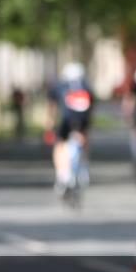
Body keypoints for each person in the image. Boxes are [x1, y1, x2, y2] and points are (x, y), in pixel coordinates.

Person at [46, 62, 94, 191]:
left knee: (60, 144)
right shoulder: (86, 87)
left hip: (65, 121)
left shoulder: (60, 86)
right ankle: (84, 167)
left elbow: (53, 106)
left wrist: (49, 123)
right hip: (82, 121)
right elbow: (91, 108)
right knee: (84, 139)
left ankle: (62, 175)